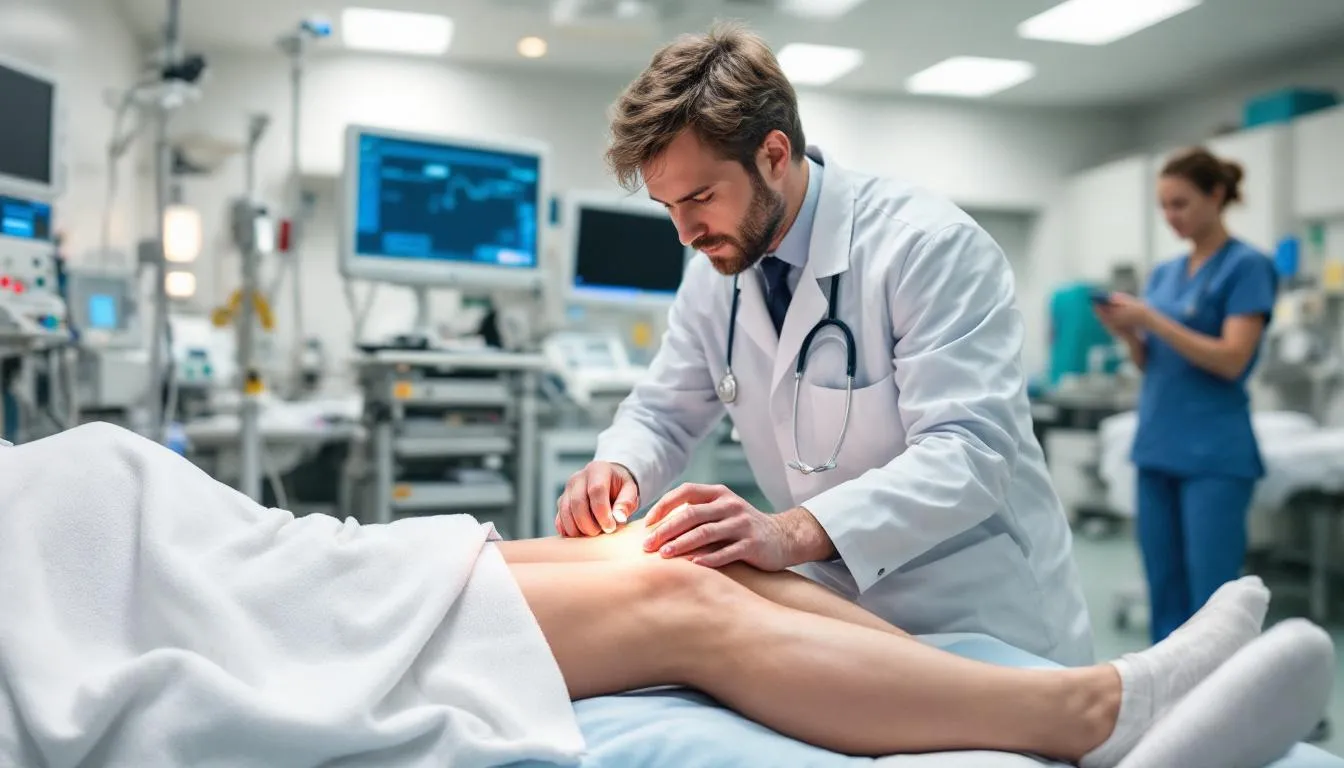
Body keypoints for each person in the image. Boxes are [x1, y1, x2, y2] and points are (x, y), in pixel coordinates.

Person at [554, 22, 1092, 666]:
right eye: (669, 206)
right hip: (839, 609)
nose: (684, 233)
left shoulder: (927, 248)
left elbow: (968, 453)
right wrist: (619, 467)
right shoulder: (714, 274)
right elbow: (662, 412)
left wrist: (786, 532)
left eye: (700, 197)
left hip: (977, 610)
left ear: (774, 156)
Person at [1094, 147, 1279, 644]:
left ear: (1216, 196)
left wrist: (1152, 318)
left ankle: (1222, 707)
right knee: (1164, 588)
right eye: (1164, 207)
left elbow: (1232, 359)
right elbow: (1152, 362)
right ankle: (1168, 705)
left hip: (1213, 454)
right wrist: (1129, 334)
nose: (1171, 217)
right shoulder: (1164, 274)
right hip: (1158, 445)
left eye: (1181, 204)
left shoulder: (1247, 267)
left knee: (1213, 597)